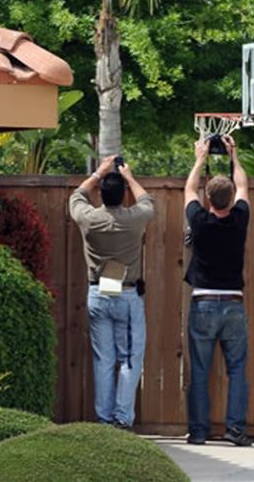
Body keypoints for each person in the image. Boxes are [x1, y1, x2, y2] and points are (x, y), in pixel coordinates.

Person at [69, 155, 155, 429]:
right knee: (129, 358)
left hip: (98, 293)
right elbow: (147, 202)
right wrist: (130, 177)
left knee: (103, 359)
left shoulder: (90, 219)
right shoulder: (134, 219)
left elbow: (77, 196)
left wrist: (98, 173)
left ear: (102, 196)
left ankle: (104, 419)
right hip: (126, 295)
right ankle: (121, 418)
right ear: (123, 195)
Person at [183, 135, 252, 446]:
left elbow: (188, 189)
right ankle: (236, 429)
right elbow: (244, 186)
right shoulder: (240, 219)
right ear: (230, 199)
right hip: (234, 304)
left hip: (203, 303)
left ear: (209, 199)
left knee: (199, 370)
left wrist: (200, 159)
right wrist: (234, 157)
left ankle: (199, 432)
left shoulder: (198, 221)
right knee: (237, 370)